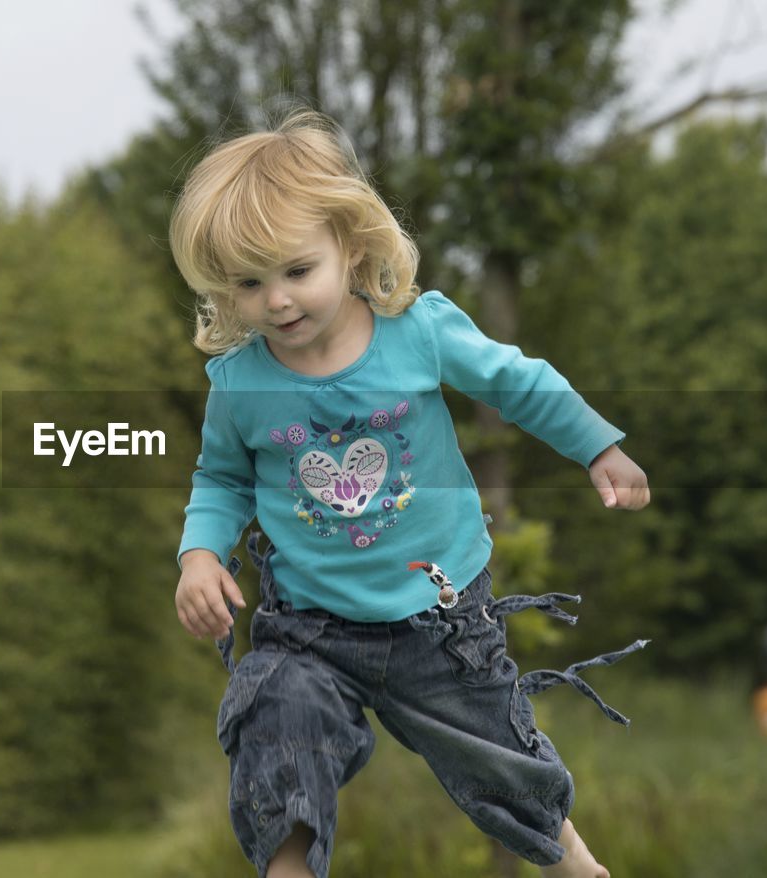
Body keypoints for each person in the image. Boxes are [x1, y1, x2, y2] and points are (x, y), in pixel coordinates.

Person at [170, 107, 650, 878]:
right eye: (250, 284)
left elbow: (516, 382)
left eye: (297, 271)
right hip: (309, 627)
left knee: (503, 763)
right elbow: (221, 478)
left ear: (349, 245)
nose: (279, 302)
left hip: (439, 616)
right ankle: (289, 868)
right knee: (274, 714)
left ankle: (577, 868)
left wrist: (599, 445)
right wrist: (199, 555)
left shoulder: (414, 332)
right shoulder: (241, 383)